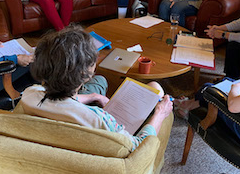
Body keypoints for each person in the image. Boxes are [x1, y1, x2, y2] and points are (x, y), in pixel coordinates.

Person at [21, 25, 173, 151]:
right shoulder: (99, 119)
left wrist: (94, 96)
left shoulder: (29, 95)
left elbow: (63, 103)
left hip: (69, 106)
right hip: (113, 131)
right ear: (84, 73)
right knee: (155, 88)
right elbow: (138, 147)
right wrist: (160, 113)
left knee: (101, 81)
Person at [174, 78, 240, 149]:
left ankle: (186, 106)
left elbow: (233, 105)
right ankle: (188, 105)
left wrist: (237, 87)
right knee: (225, 80)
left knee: (208, 90)